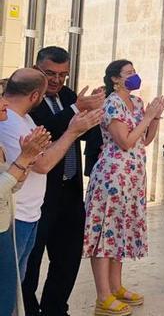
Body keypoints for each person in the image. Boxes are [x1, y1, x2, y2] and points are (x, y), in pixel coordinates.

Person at [0, 69, 101, 286]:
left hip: (31, 212)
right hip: (15, 215)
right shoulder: (9, 122)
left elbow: (44, 152)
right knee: (9, 285)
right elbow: (43, 164)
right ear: (36, 96)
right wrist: (72, 131)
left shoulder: (25, 118)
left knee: (19, 280)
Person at [24, 46, 104, 316]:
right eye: (51, 73)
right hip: (40, 193)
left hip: (70, 191)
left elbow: (79, 132)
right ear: (37, 70)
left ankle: (56, 309)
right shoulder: (30, 100)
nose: (57, 80)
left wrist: (93, 115)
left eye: (63, 75)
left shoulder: (69, 97)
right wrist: (76, 110)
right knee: (31, 261)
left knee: (68, 259)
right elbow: (45, 130)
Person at [83, 60, 164, 316]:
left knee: (119, 231)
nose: (134, 76)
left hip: (132, 177)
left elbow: (145, 140)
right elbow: (125, 141)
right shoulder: (112, 103)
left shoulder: (137, 103)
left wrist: (154, 118)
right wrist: (149, 117)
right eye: (128, 73)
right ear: (115, 79)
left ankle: (117, 287)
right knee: (105, 233)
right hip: (112, 176)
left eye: (134, 72)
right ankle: (103, 296)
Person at [1, 91, 52, 316]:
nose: (5, 102)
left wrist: (25, 162)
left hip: (5, 224)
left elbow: (11, 185)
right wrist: (24, 159)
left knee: (11, 289)